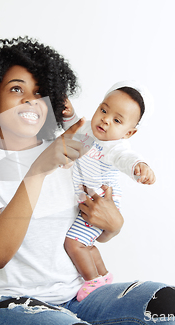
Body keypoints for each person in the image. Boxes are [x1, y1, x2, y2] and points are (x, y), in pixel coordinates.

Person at [0, 36, 175, 324]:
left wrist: (114, 225)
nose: (30, 100)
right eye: (15, 89)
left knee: (171, 306)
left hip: (78, 298)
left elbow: (94, 219)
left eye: (39, 93)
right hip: (10, 302)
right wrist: (37, 170)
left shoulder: (74, 147)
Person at [62, 81, 156, 301]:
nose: (105, 119)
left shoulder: (115, 146)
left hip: (102, 202)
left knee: (73, 243)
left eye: (117, 120)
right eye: (103, 110)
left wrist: (139, 167)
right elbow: (74, 125)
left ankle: (92, 282)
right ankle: (103, 275)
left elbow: (126, 159)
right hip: (87, 199)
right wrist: (69, 112)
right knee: (87, 245)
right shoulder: (87, 130)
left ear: (129, 132)